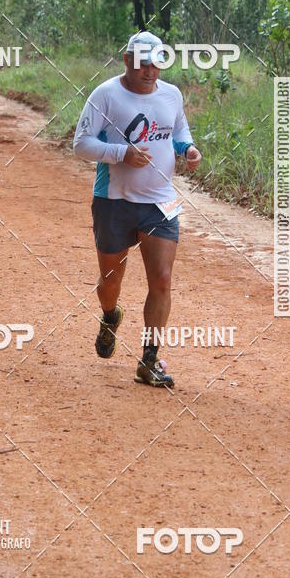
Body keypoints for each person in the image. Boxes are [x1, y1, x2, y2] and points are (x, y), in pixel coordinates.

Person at [73, 31, 202, 388]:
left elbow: (179, 131)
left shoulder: (171, 94)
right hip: (113, 200)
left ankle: (149, 359)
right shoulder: (106, 95)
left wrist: (188, 150)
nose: (150, 70)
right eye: (143, 62)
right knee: (111, 282)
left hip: (161, 200)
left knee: (162, 279)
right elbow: (81, 144)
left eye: (157, 63)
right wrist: (121, 154)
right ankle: (110, 315)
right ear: (127, 60)